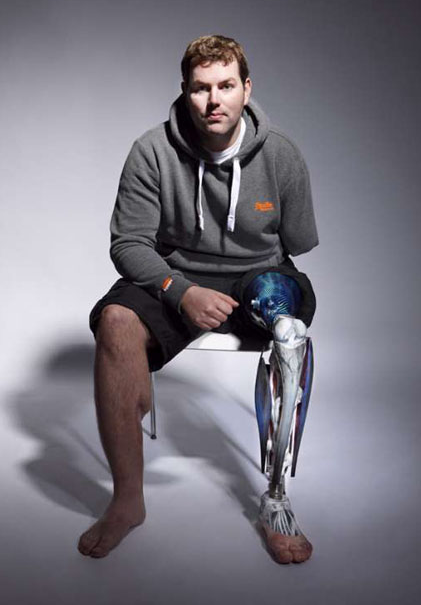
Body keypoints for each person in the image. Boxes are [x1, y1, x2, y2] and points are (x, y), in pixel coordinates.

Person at [77, 34, 319, 563]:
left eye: (226, 86)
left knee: (290, 333)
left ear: (246, 89)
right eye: (201, 88)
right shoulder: (152, 150)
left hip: (260, 279)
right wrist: (180, 292)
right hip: (179, 276)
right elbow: (128, 243)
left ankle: (276, 498)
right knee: (116, 320)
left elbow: (298, 243)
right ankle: (127, 501)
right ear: (185, 91)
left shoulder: (281, 154)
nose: (214, 100)